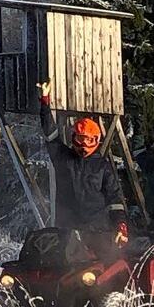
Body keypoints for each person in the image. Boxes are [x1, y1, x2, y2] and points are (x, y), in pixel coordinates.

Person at [38, 84, 128, 257]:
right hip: (68, 229)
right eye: (80, 139)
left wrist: (121, 225)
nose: (84, 145)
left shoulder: (102, 166)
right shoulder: (63, 158)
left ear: (96, 140)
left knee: (105, 270)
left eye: (88, 140)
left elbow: (114, 198)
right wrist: (45, 103)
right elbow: (50, 134)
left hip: (98, 231)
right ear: (74, 138)